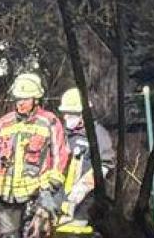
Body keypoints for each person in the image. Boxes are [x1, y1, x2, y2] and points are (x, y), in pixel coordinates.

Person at [0, 73, 67, 238]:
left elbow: (60, 156)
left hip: (36, 196)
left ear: (36, 99)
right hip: (5, 196)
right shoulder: (4, 123)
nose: (20, 103)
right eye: (17, 99)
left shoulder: (49, 122)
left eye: (25, 99)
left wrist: (49, 189)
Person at [52, 88, 115, 238]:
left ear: (83, 114)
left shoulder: (97, 135)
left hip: (86, 207)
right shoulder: (62, 135)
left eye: (71, 113)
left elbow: (105, 166)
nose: (66, 117)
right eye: (65, 113)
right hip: (60, 204)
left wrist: (81, 189)